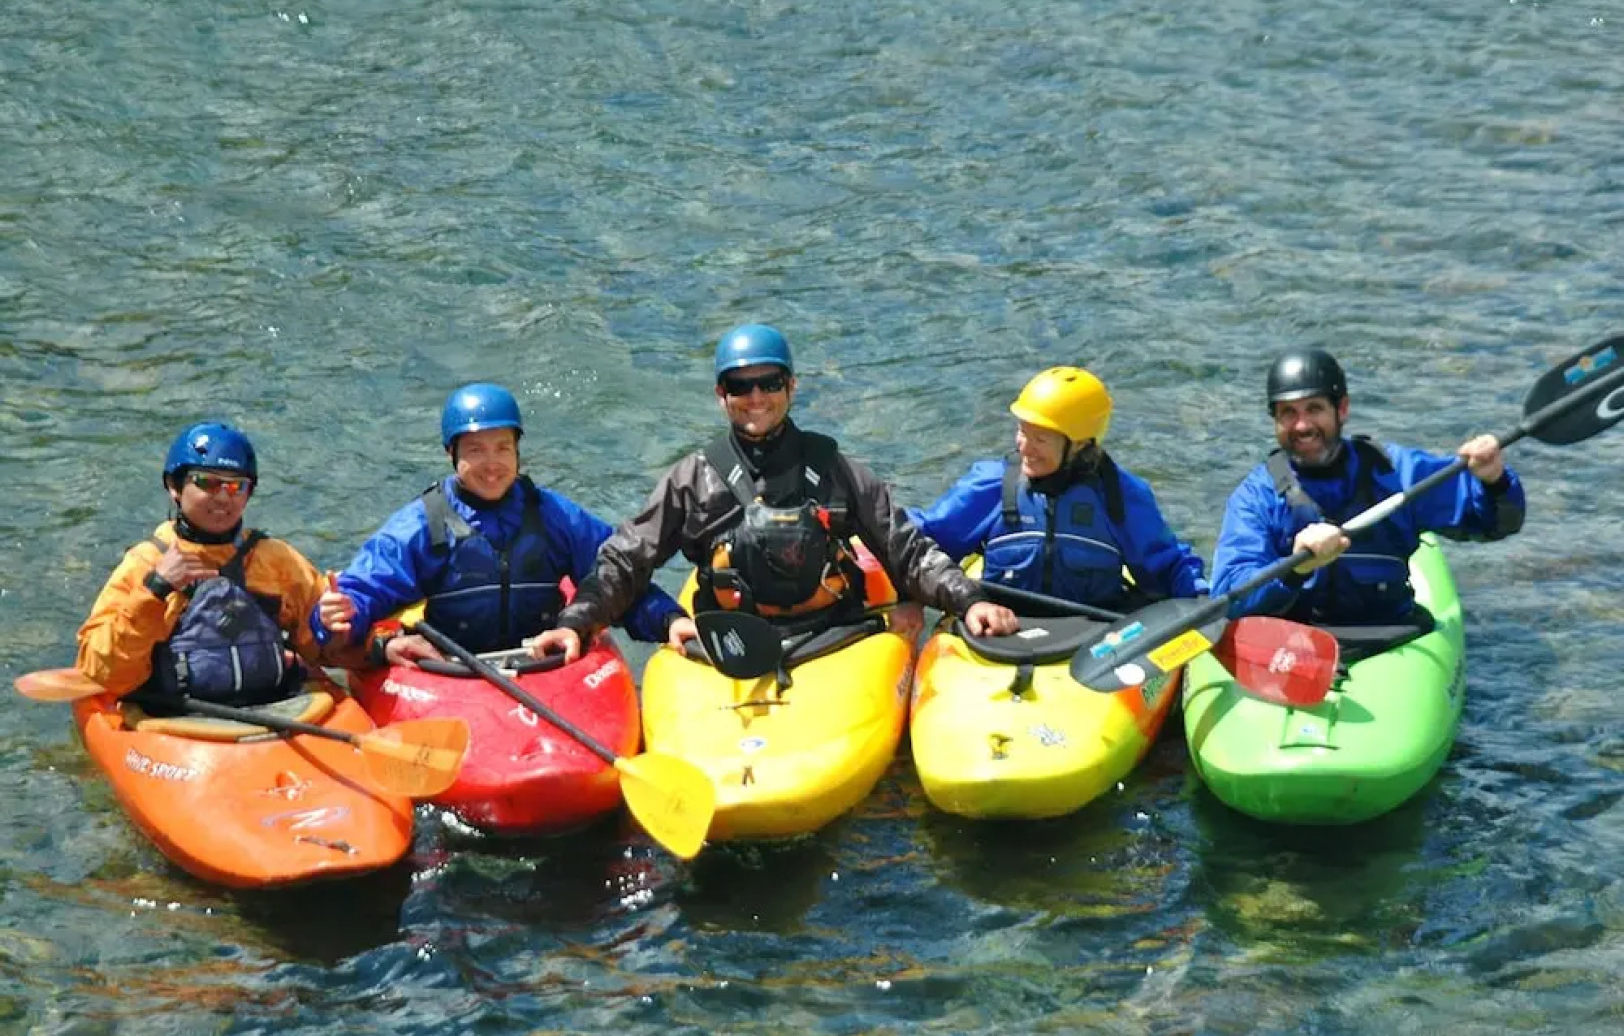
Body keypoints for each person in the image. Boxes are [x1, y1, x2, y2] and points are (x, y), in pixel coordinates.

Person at [530, 324, 1019, 663]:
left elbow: (904, 549)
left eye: (769, 382)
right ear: (720, 394)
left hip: (835, 636)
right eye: (740, 386)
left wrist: (968, 599)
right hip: (729, 642)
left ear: (792, 386)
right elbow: (625, 560)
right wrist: (576, 623)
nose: (756, 397)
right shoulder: (691, 479)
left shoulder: (834, 467)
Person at [315, 382, 683, 666]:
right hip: (451, 668)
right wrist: (343, 614)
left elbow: (616, 576)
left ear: (517, 451)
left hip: (548, 660)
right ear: (451, 453)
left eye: (502, 448)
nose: (492, 464)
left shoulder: (551, 514)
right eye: (476, 450)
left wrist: (668, 620)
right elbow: (362, 590)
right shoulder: (421, 524)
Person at [1210, 347, 1526, 626]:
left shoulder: (1397, 472)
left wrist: (1494, 481)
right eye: (1288, 413)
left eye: (1315, 409)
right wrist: (1296, 568)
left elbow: (1495, 525)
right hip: (1296, 649)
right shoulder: (1257, 496)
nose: (1302, 425)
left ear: (1342, 409)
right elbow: (1229, 595)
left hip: (1387, 638)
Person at [75, 422, 350, 706]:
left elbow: (328, 653)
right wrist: (155, 590)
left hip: (271, 709)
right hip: (175, 718)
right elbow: (103, 671)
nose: (222, 497)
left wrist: (331, 628)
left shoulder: (275, 560)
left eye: (236, 486)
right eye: (206, 482)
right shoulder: (146, 562)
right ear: (174, 487)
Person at [907, 367, 1208, 612]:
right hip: (997, 629)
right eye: (1022, 432)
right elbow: (925, 536)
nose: (1024, 447)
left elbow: (1168, 567)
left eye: (1040, 439)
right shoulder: (992, 484)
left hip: (1093, 641)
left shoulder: (1121, 496)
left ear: (1078, 444)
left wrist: (1202, 603)